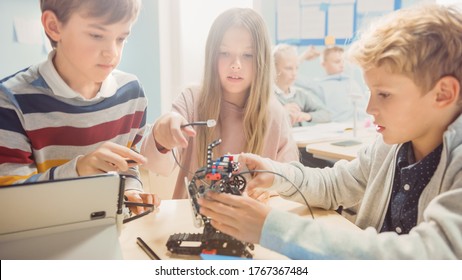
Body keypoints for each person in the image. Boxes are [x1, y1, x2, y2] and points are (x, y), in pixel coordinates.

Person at [197, 4, 462, 259]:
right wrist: (273, 172)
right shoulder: (390, 147)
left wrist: (271, 227)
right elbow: (334, 185)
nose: (370, 108)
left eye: (384, 94)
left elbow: (429, 256)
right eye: (371, 92)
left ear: (443, 94)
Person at [0, 0, 158, 214]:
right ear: (54, 26)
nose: (112, 53)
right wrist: (78, 170)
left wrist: (129, 192)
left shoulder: (131, 94)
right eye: (96, 35)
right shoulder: (11, 100)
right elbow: (11, 203)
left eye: (121, 38)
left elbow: (127, 168)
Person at [141, 8, 299, 199]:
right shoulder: (192, 100)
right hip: (191, 223)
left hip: (251, 224)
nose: (236, 64)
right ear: (212, 55)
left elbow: (291, 183)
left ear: (261, 60)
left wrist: (273, 193)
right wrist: (161, 138)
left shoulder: (275, 114)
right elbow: (158, 166)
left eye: (248, 55)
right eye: (224, 53)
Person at [273, 44, 330, 127]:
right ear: (273, 68)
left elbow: (326, 115)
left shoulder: (300, 95)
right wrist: (281, 112)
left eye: (296, 68)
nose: (294, 73)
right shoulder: (266, 96)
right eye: (288, 68)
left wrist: (306, 116)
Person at [308, 46, 368, 123]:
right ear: (323, 64)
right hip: (339, 126)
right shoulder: (320, 85)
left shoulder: (351, 81)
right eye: (337, 61)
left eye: (343, 61)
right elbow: (295, 78)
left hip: (364, 125)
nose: (342, 65)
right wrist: (304, 57)